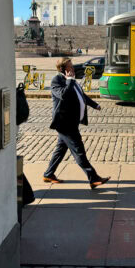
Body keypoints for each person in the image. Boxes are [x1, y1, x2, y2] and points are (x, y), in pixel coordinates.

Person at [43, 57, 110, 189]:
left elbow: (81, 95)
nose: (73, 68)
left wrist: (94, 105)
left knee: (60, 150)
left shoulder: (72, 81)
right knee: (79, 151)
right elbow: (63, 95)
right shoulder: (57, 80)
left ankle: (48, 174)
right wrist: (69, 81)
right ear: (63, 69)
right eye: (70, 66)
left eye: (72, 66)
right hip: (64, 123)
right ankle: (93, 178)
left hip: (72, 122)